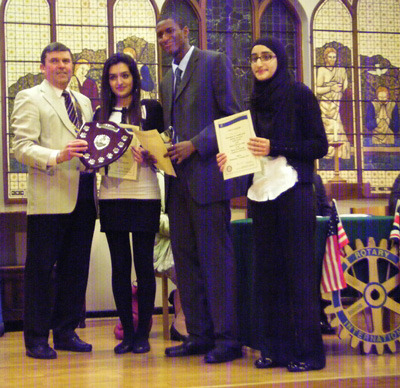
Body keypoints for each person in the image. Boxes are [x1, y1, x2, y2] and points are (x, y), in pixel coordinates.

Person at [217, 37, 328, 372]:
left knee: (298, 274)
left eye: (266, 57)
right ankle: (274, 349)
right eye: (253, 58)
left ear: (280, 59)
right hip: (260, 196)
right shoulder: (251, 103)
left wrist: (274, 145)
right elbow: (250, 153)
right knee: (268, 276)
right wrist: (230, 161)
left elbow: (318, 145)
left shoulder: (300, 95)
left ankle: (309, 353)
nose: (259, 63)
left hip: (293, 191)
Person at [156, 13, 247, 363]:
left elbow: (234, 116)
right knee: (187, 263)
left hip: (208, 181)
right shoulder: (166, 79)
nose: (165, 39)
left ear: (186, 32)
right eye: (160, 35)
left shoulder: (213, 63)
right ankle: (198, 335)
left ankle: (227, 340)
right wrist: (159, 149)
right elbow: (173, 129)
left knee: (216, 263)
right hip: (177, 185)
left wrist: (196, 144)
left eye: (170, 32)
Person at [11, 42, 96, 360]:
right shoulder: (30, 97)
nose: (62, 65)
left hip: (84, 195)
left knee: (76, 269)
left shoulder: (84, 101)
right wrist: (57, 156)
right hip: (49, 196)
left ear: (72, 66)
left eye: (66, 61)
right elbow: (20, 147)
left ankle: (65, 332)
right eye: (55, 61)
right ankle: (35, 338)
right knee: (41, 270)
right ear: (44, 65)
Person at [94, 53, 162, 354]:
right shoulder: (101, 112)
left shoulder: (152, 108)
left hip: (145, 192)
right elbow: (95, 154)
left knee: (144, 265)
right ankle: (127, 333)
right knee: (120, 266)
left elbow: (163, 153)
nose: (119, 82)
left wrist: (150, 156)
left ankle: (144, 334)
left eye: (124, 75)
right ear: (107, 82)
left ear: (134, 77)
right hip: (111, 194)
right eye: (113, 77)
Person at [316, 47, 351, 159]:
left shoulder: (341, 70)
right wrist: (331, 88)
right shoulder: (321, 70)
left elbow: (345, 86)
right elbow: (318, 90)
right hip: (325, 105)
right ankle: (326, 153)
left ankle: (340, 154)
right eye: (330, 57)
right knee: (327, 128)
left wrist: (339, 89)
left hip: (337, 104)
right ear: (325, 58)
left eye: (334, 57)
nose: (332, 59)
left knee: (338, 126)